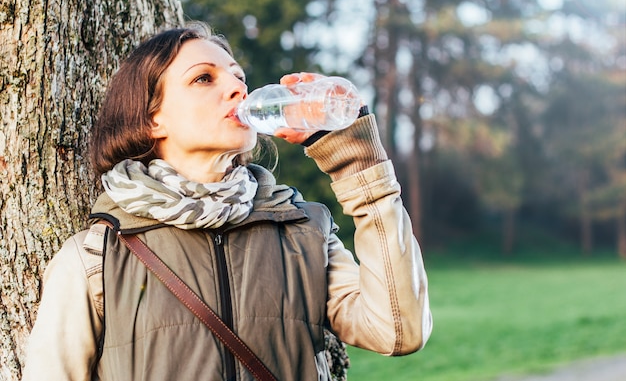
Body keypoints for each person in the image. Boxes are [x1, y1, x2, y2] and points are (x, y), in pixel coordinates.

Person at [23, 22, 432, 380]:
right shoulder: (96, 257)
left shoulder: (303, 231)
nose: (238, 88)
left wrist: (359, 164)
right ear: (153, 118)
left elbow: (398, 330)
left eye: (239, 77)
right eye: (204, 78)